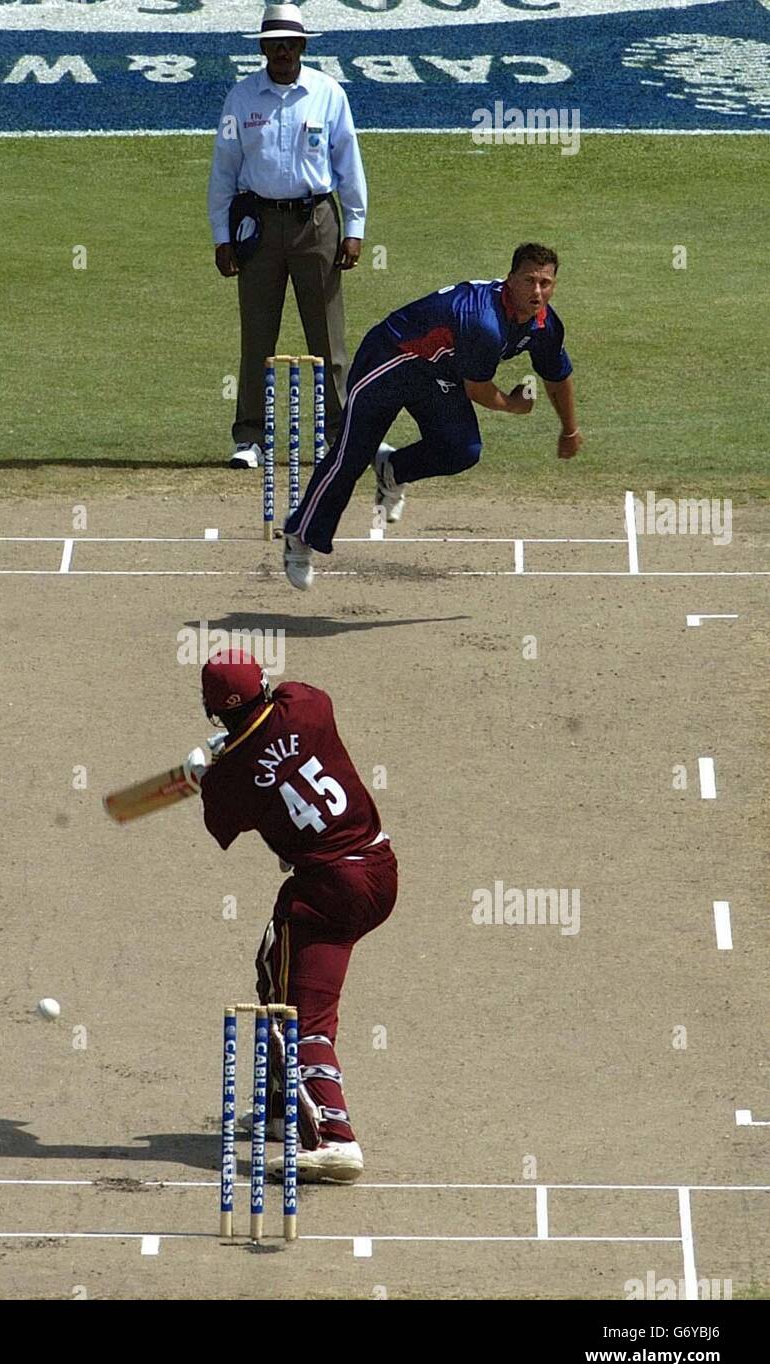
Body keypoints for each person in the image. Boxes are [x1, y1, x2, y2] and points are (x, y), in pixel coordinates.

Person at [190, 650, 398, 1183]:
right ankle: (287, 1107)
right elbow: (286, 751)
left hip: (327, 891)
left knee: (294, 1014)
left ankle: (332, 1137)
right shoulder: (307, 705)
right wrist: (241, 753)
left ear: (215, 712)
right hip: (378, 869)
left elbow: (227, 818)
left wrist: (209, 771)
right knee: (273, 963)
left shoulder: (228, 780)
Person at [281, 243, 584, 590]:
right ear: (510, 279)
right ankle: (300, 534)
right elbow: (478, 390)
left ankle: (393, 470)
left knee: (462, 449)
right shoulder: (484, 321)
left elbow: (557, 375)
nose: (537, 291)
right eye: (529, 280)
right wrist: (514, 405)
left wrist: (570, 430)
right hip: (390, 359)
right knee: (350, 455)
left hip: (436, 373)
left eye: (545, 283)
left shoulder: (545, 324)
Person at [207, 3, 367, 470]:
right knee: (257, 337)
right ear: (262, 47)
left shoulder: (327, 93)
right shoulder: (241, 98)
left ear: (301, 46)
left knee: (328, 340)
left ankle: (336, 437)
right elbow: (224, 169)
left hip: (316, 221)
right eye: (274, 42)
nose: (282, 50)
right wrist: (222, 235)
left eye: (290, 42)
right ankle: (250, 438)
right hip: (256, 225)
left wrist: (354, 228)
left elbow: (348, 163)